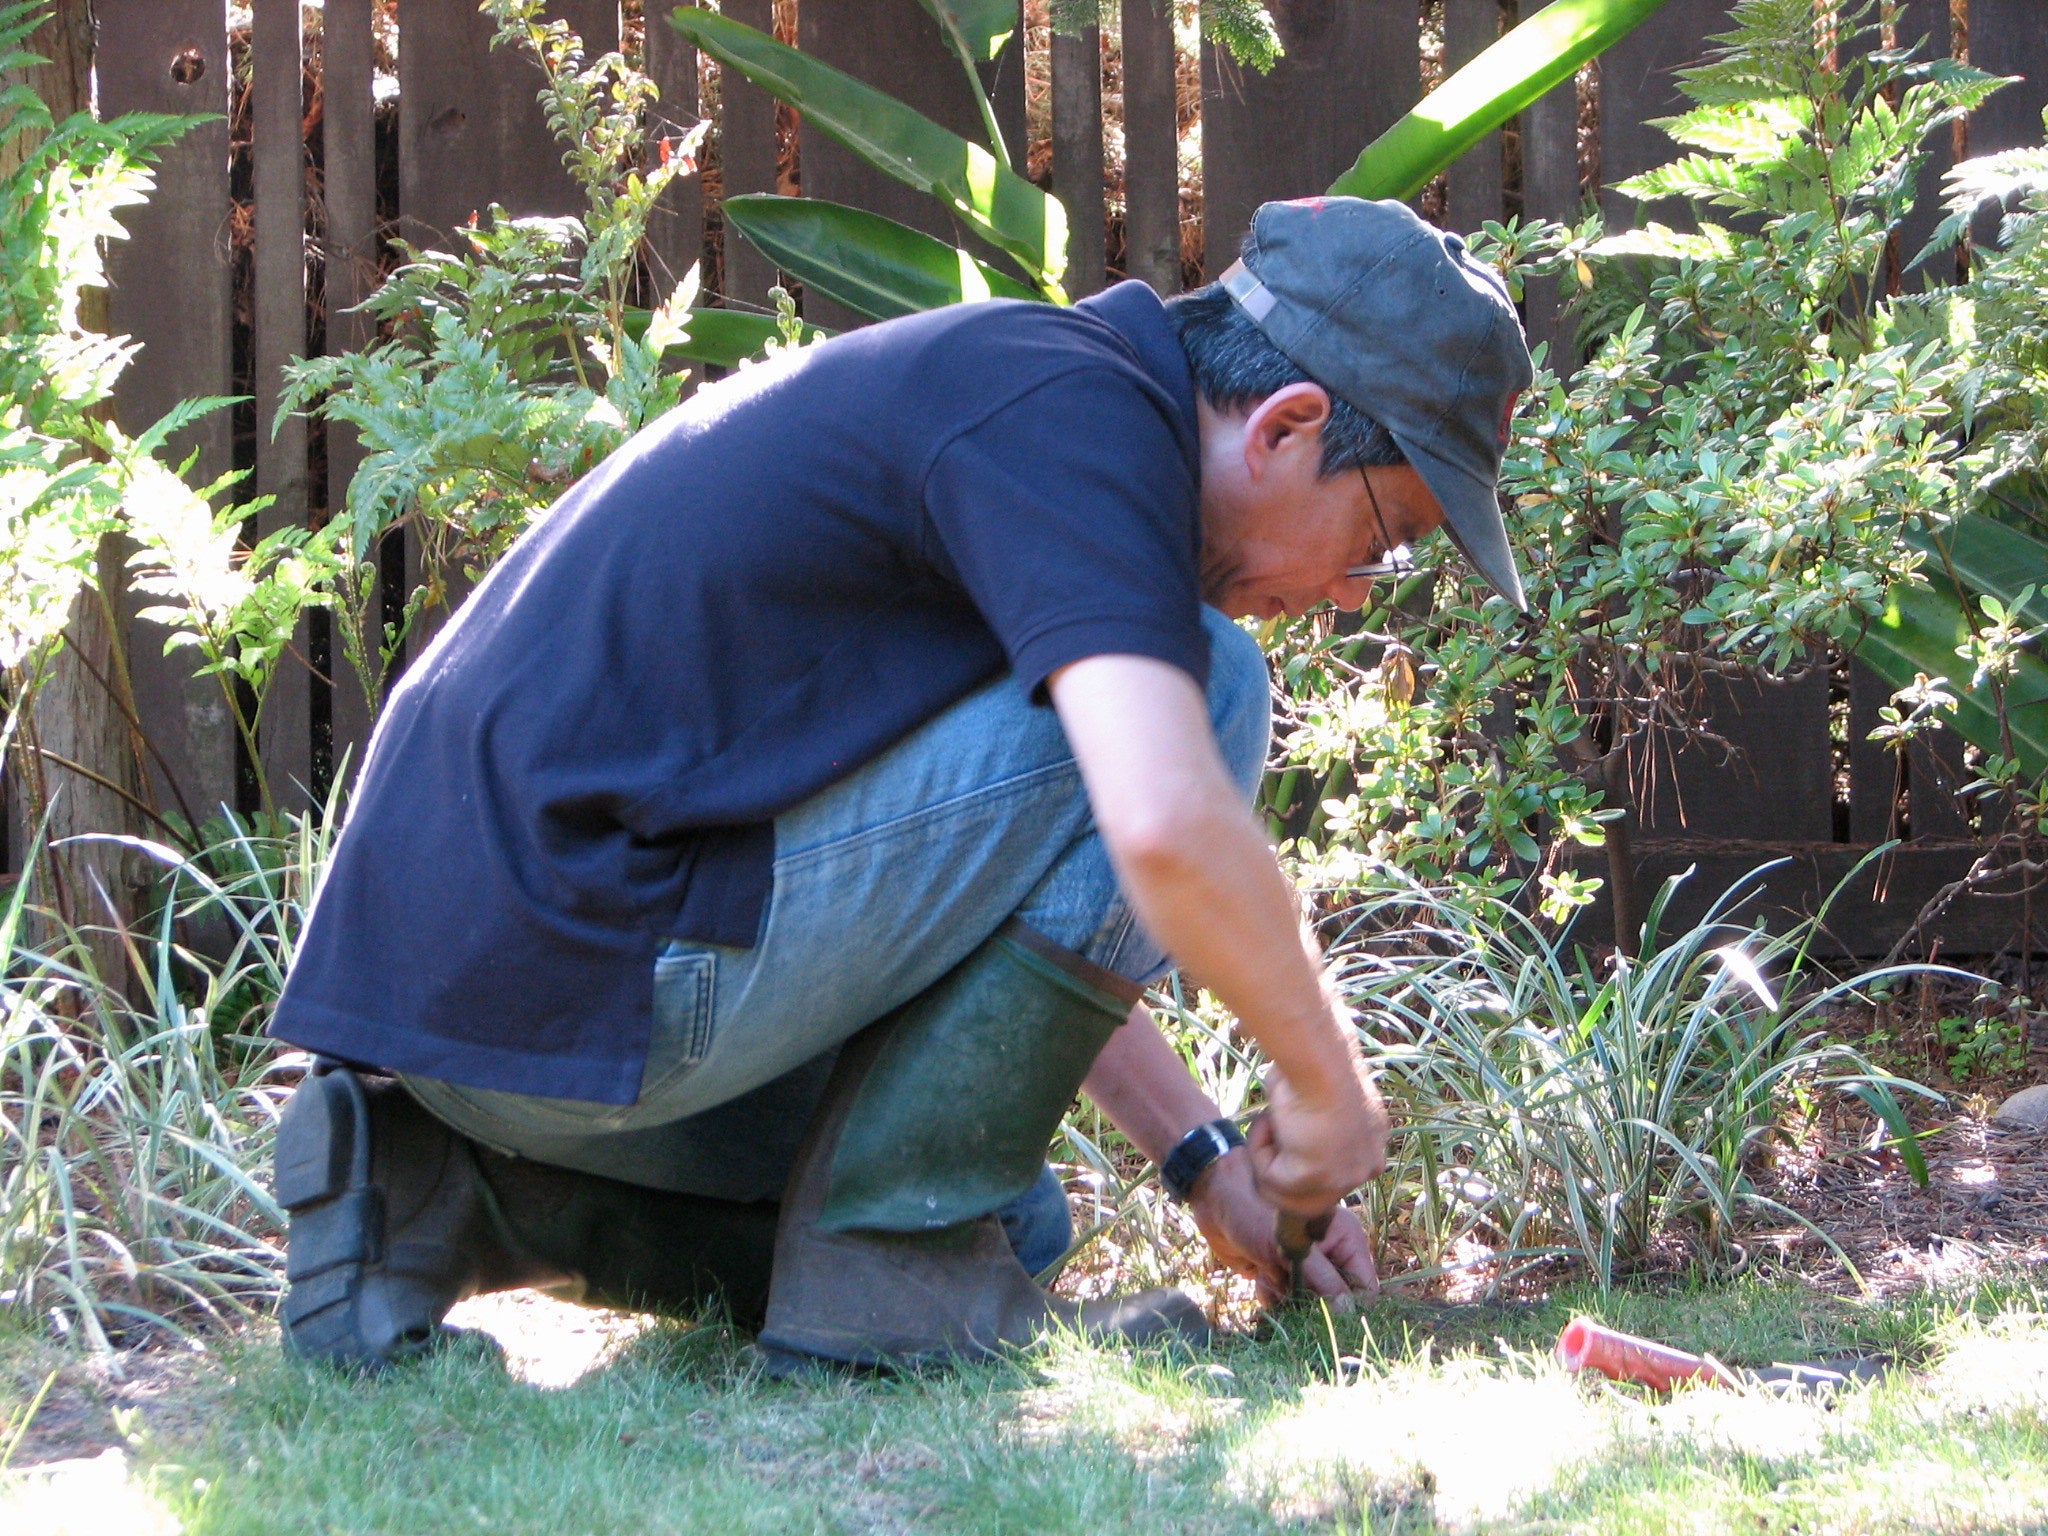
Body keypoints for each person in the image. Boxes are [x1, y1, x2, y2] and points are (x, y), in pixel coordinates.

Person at [268, 195, 1533, 1372]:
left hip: (491, 1001)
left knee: (1005, 1219)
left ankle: (439, 1198)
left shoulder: (1031, 406)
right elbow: (1156, 819)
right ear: (1284, 425)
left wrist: (1206, 1164)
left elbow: (1002, 881)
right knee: (1211, 686)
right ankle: (890, 1270)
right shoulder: (1072, 421)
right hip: (593, 946)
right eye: (1381, 538)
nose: (1355, 594)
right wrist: (1328, 1087)